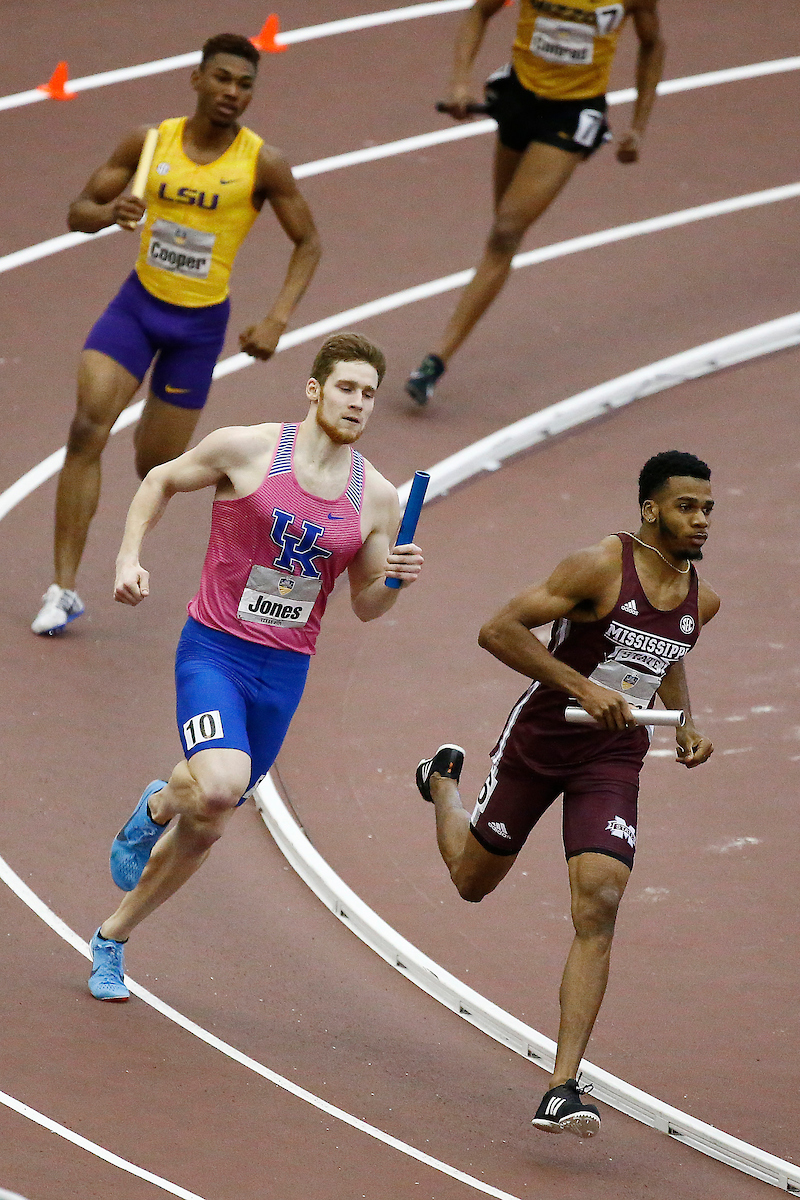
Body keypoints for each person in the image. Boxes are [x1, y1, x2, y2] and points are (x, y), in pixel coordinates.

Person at [87, 332, 423, 1001]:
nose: (357, 404)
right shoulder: (250, 448)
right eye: (347, 388)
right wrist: (129, 555)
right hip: (215, 649)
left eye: (368, 395)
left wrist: (394, 582)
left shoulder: (378, 498)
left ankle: (113, 937)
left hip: (284, 674)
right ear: (315, 389)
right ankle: (161, 803)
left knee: (210, 821)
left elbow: (363, 605)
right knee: (217, 786)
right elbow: (161, 479)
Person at [416, 451, 718, 1135]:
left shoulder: (705, 600)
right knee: (471, 880)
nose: (700, 520)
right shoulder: (598, 567)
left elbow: (666, 658)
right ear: (651, 510)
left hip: (611, 759)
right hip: (541, 742)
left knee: (601, 899)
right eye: (685, 507)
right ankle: (441, 785)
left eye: (707, 508)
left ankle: (562, 1086)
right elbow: (498, 630)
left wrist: (688, 726)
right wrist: (582, 687)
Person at [33, 32, 321, 635]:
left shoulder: (263, 163)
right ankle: (62, 589)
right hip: (136, 308)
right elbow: (77, 211)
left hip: (198, 326)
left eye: (244, 84)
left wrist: (277, 319)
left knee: (158, 465)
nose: (232, 93)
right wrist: (108, 213)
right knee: (88, 427)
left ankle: (255, 537)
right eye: (222, 79)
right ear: (197, 79)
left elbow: (308, 243)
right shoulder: (150, 142)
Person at [405, 0, 664, 404]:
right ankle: (454, 334)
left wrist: (639, 126)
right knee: (501, 228)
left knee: (506, 231)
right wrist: (459, 82)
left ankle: (434, 361)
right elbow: (479, 11)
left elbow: (653, 44)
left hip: (572, 114)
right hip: (519, 99)